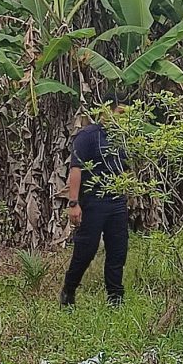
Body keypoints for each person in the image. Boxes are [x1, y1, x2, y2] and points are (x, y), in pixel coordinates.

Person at [59, 92, 130, 307]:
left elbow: (126, 168)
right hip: (94, 201)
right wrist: (73, 203)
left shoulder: (123, 137)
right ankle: (68, 292)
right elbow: (76, 169)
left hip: (117, 201)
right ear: (106, 110)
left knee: (118, 250)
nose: (124, 119)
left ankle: (115, 299)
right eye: (121, 113)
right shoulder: (88, 135)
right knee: (86, 249)